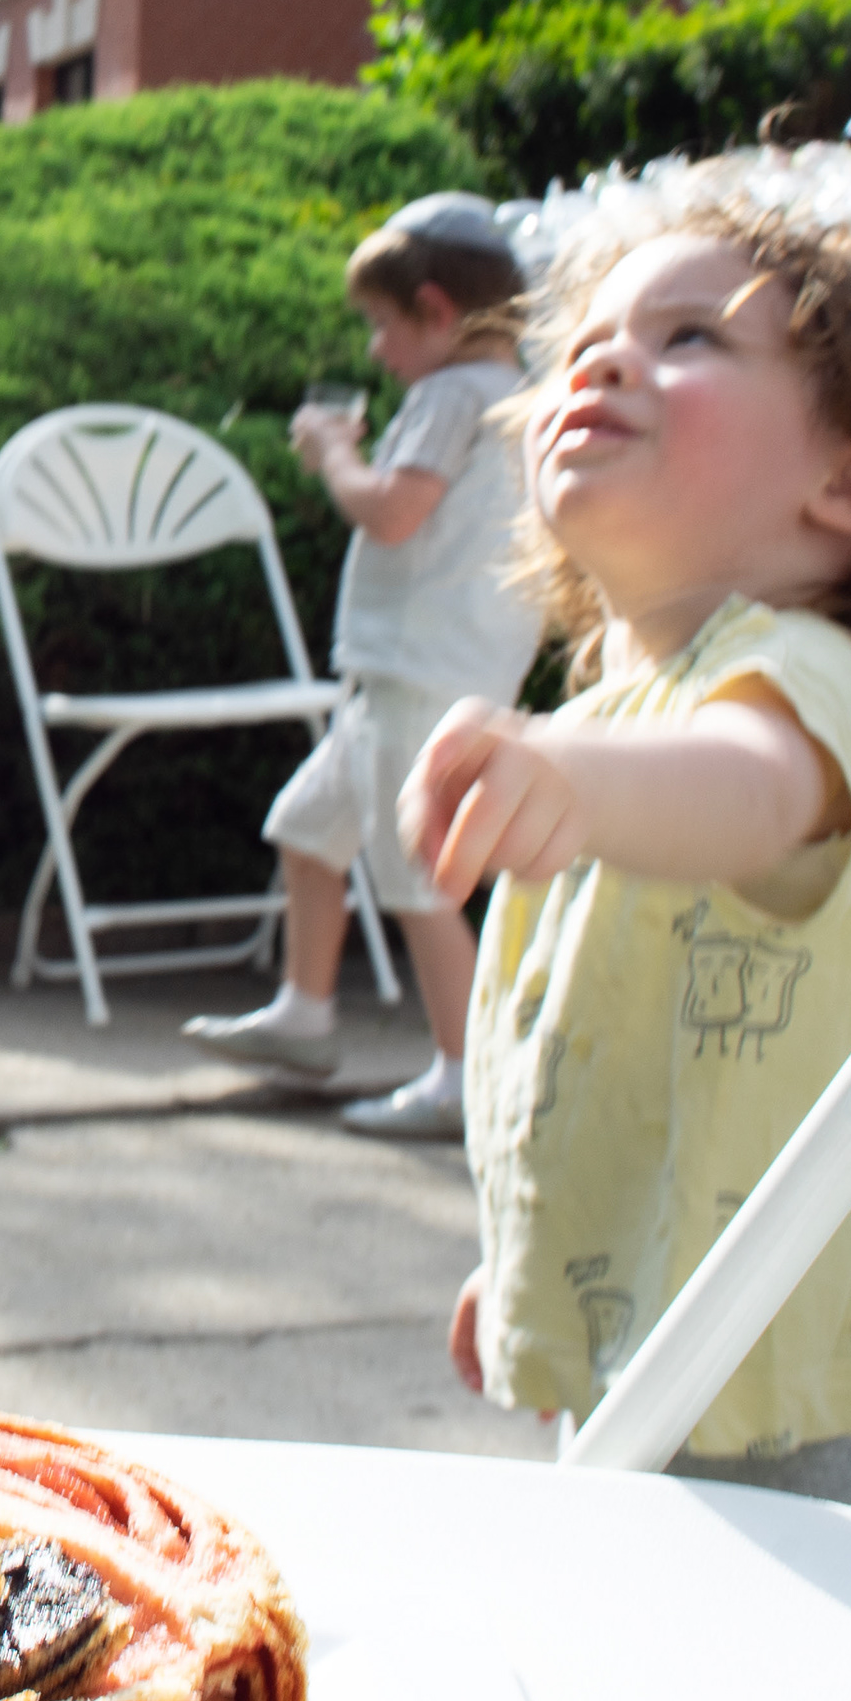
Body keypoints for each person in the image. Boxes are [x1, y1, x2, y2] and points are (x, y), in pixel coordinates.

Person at [411, 153, 851, 1540]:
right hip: (655, 1378)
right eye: (586, 344)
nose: (606, 362)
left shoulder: (805, 686)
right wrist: (537, 1257)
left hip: (827, 1427)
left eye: (690, 339)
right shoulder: (605, 723)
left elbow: (748, 790)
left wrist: (571, 779)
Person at [183, 194, 540, 1141]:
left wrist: (334, 454)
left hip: (416, 672)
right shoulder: (513, 392)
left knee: (416, 879)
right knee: (309, 829)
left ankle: (466, 1075)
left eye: (383, 325)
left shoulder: (451, 395)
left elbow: (391, 512)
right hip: (432, 670)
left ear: (435, 310)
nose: (377, 351)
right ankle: (304, 1017)